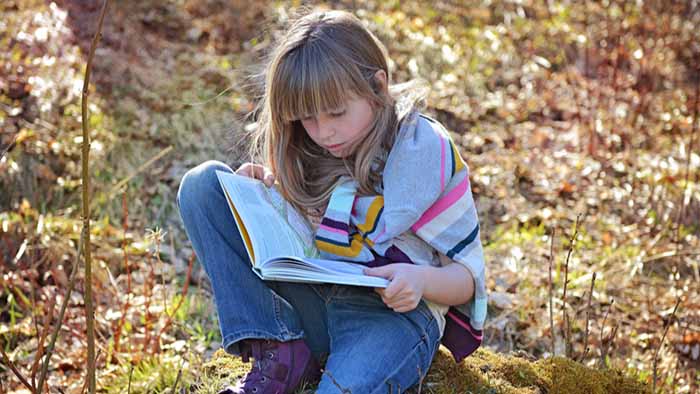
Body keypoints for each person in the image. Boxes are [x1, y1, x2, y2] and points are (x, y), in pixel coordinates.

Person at [177, 9, 487, 394]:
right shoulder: (309, 151)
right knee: (203, 185)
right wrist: (261, 200)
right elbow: (299, 246)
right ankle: (280, 348)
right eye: (307, 118)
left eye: (337, 112)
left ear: (378, 86)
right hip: (314, 306)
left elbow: (468, 280)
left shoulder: (422, 155)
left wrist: (421, 280)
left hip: (391, 319)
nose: (324, 131)